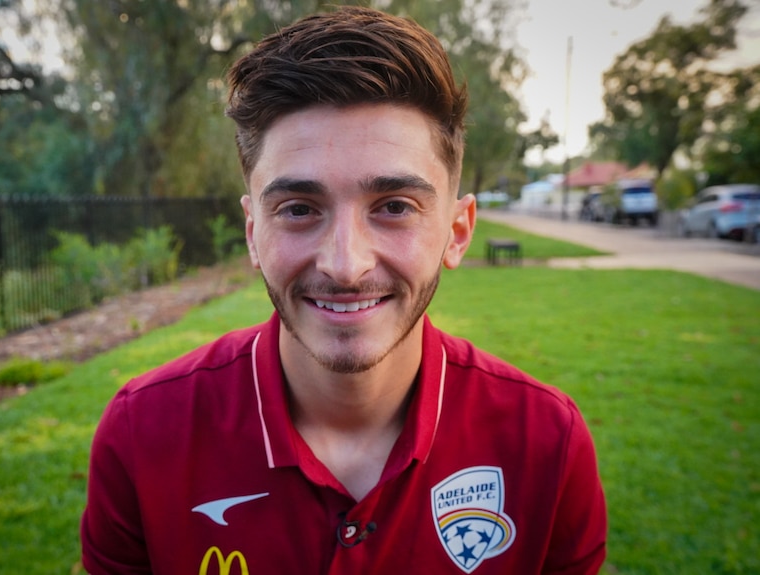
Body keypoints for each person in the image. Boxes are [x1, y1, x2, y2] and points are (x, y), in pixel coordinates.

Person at [80, 6, 607, 574]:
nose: (345, 265)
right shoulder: (143, 432)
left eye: (395, 207)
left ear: (456, 233)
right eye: (300, 209)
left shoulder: (547, 444)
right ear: (254, 233)